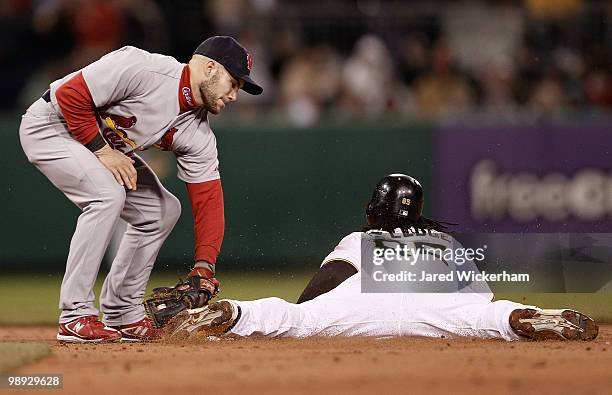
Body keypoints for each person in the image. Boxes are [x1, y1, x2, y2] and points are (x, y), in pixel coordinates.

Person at [19, 36, 263, 343]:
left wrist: (204, 266)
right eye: (234, 82)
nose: (234, 96)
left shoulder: (197, 133)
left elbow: (208, 200)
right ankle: (74, 314)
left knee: (162, 211)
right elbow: (70, 95)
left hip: (101, 145)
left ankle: (123, 313)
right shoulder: (143, 68)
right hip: (52, 126)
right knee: (107, 195)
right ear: (210, 67)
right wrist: (102, 151)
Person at [166, 174, 599, 342]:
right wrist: (490, 314)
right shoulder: (445, 244)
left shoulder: (363, 238)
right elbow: (479, 298)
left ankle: (234, 313)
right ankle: (532, 316)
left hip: (362, 304)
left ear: (373, 211)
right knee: (490, 318)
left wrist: (307, 316)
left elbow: (318, 291)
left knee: (290, 319)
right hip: (440, 306)